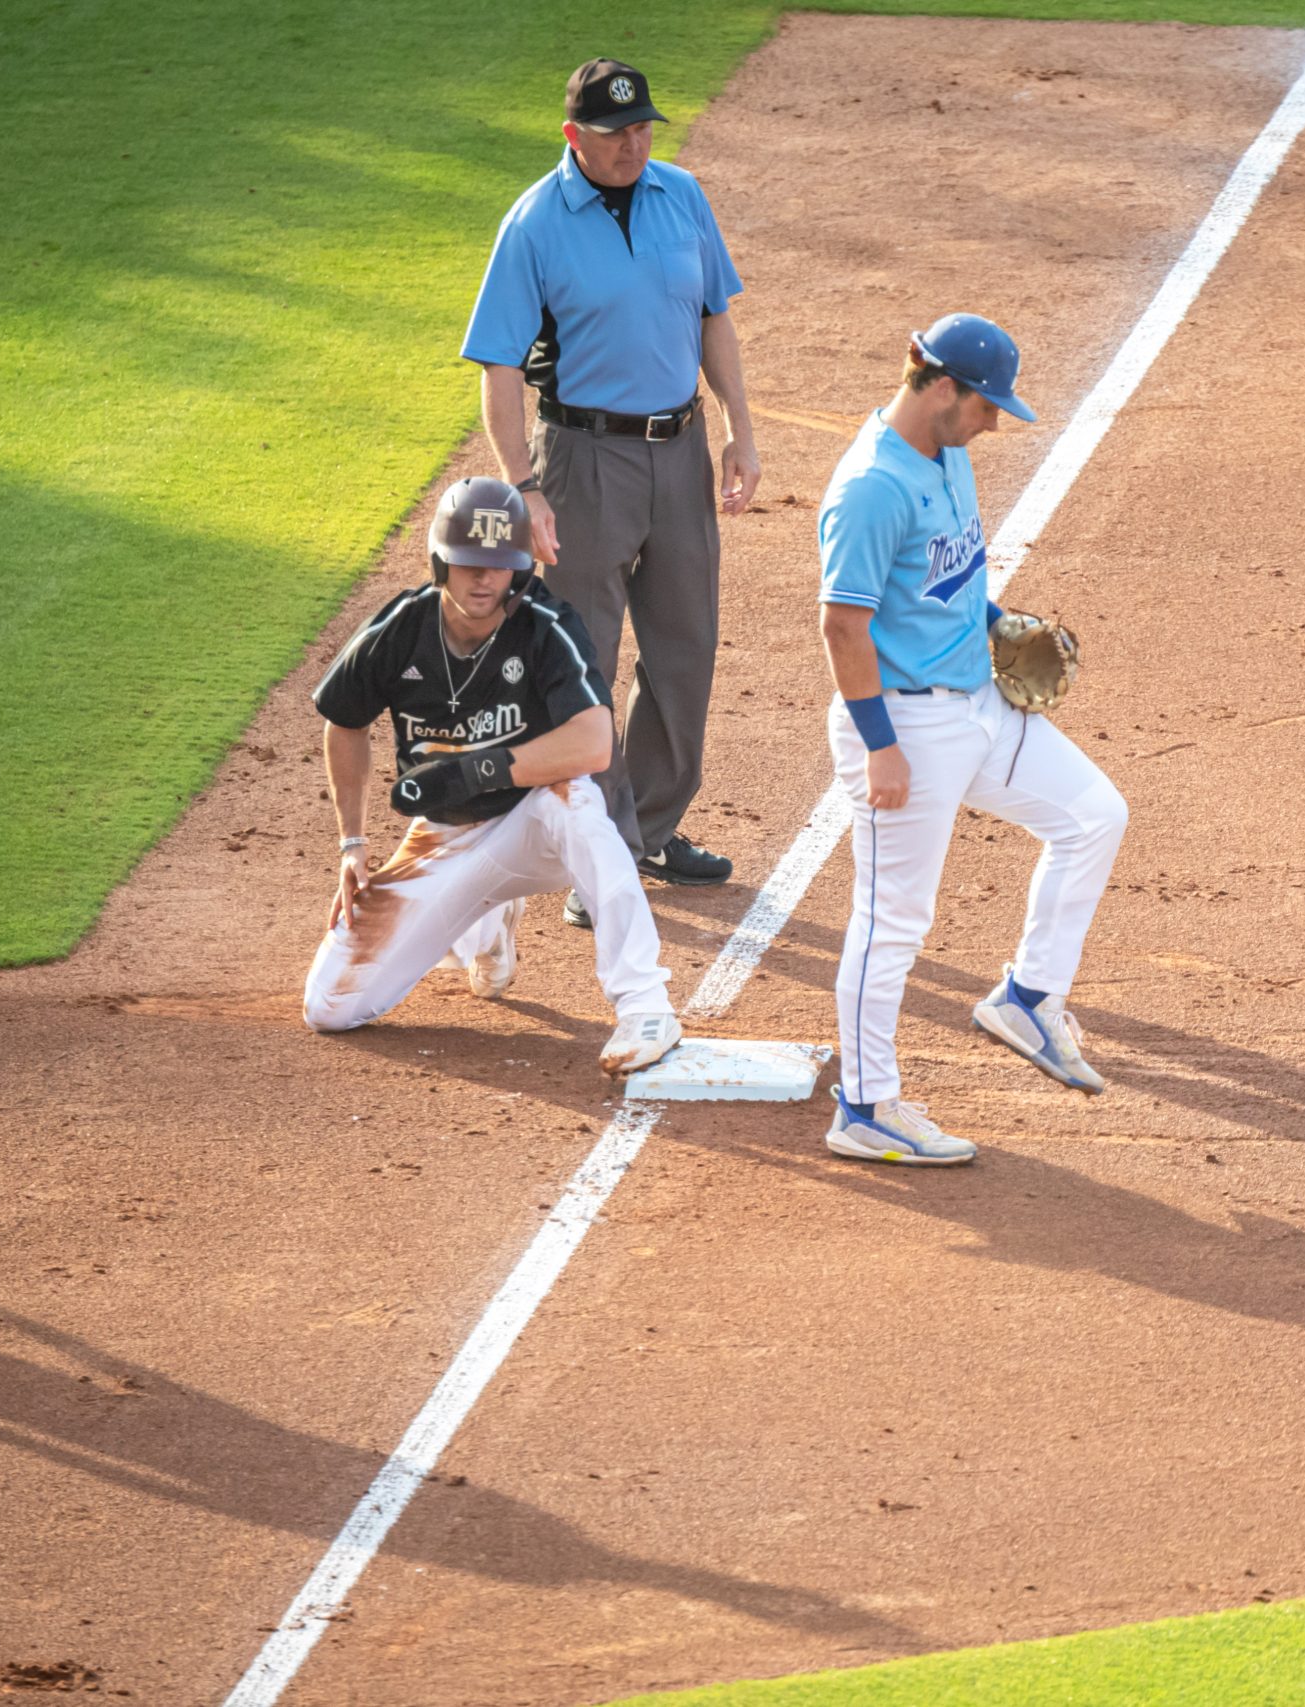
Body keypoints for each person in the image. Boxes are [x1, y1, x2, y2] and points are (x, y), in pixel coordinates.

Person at [815, 315, 1129, 1166]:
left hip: (979, 708)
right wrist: (881, 744)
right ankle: (867, 1105)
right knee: (892, 923)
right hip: (908, 724)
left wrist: (997, 622)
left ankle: (1028, 997)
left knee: (1095, 813)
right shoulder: (872, 487)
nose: (995, 424)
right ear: (941, 387)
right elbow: (844, 626)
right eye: (988, 407)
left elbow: (950, 577)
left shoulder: (947, 454)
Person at [460, 57, 758, 929]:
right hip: (582, 459)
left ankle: (652, 827)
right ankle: (605, 849)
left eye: (642, 129)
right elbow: (499, 367)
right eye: (614, 133)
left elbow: (714, 316)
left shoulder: (681, 195)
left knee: (685, 647)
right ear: (572, 138)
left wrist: (740, 426)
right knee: (582, 656)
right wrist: (523, 487)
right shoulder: (534, 223)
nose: (633, 145)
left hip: (681, 448)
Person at [303, 476, 682, 1077]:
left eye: (500, 566)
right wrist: (352, 844)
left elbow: (593, 741)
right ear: (440, 562)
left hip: (534, 823)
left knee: (577, 799)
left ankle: (645, 1006)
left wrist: (473, 770)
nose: (484, 580)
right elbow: (343, 722)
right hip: (446, 838)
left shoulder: (545, 627)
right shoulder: (401, 628)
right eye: (469, 564)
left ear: (521, 569)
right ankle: (485, 925)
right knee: (330, 1007)